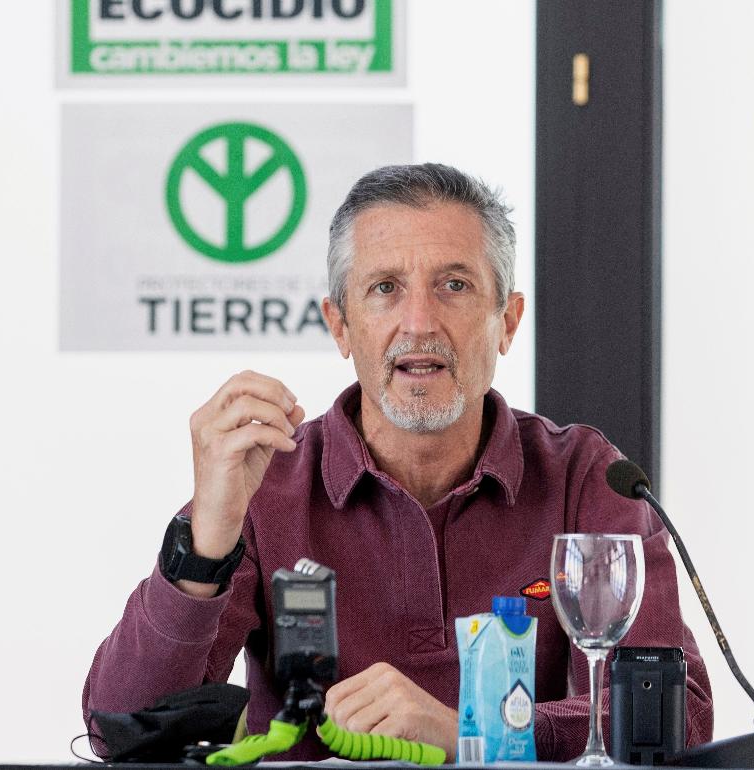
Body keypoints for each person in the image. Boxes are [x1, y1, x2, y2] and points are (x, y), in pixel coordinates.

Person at [82, 163, 713, 761]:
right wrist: (206, 543)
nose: (419, 323)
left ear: (507, 322)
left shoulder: (585, 476)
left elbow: (672, 717)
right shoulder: (269, 480)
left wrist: (472, 731)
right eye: (385, 289)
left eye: (454, 286)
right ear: (340, 326)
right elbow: (122, 731)